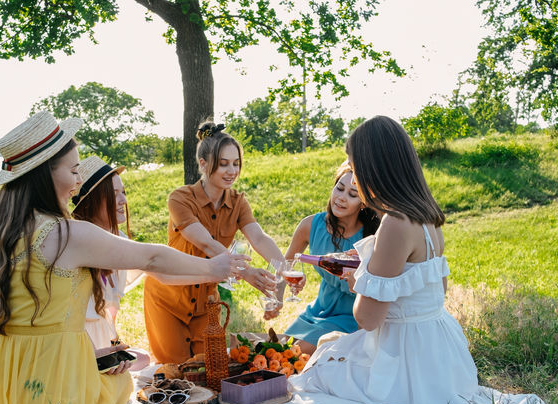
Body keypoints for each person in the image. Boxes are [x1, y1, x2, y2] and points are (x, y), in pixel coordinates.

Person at [0, 112, 247, 404]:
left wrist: (88, 359)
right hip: (48, 390)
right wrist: (212, 268)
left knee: (122, 371)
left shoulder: (1, 229)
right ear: (43, 176)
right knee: (119, 388)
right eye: (73, 170)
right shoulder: (65, 233)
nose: (78, 181)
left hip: (0, 382)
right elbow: (150, 256)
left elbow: (32, 327)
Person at [289, 116, 478, 404]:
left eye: (354, 167)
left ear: (372, 169)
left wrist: (356, 280)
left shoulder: (394, 223)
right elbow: (436, 292)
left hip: (405, 363)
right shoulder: (429, 216)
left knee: (316, 372)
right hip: (443, 358)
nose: (353, 177)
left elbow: (367, 319)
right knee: (327, 348)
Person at [143, 121, 286, 364]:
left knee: (210, 372)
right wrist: (247, 273)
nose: (232, 171)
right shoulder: (180, 199)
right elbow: (207, 244)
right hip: (168, 300)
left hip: (207, 307)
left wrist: (285, 272)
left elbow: (259, 237)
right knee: (176, 372)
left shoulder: (238, 202)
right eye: (223, 164)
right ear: (203, 164)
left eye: (236, 163)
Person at [276, 161, 380, 355]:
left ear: (364, 202)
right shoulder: (311, 225)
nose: (341, 198)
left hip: (353, 317)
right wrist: (278, 298)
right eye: (339, 189)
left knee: (292, 354)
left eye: (352, 194)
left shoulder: (372, 237)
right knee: (275, 348)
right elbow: (285, 265)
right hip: (319, 312)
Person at [70, 156, 150, 370]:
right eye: (114, 195)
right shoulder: (78, 243)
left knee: (142, 357)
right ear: (92, 201)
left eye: (123, 192)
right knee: (135, 360)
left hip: (104, 340)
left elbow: (157, 269)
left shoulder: (118, 238)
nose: (123, 200)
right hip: (78, 343)